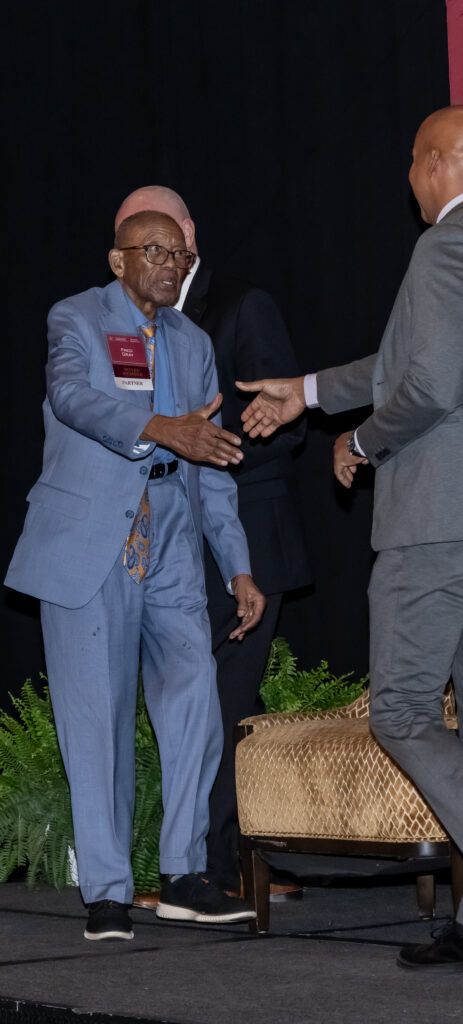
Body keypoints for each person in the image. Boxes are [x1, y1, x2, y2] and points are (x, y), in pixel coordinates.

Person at [235, 105, 463, 980]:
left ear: (438, 161)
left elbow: (423, 387)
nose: (407, 181)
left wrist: (358, 444)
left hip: (442, 523)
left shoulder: (444, 248)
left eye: (412, 163)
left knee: (399, 710)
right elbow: (405, 364)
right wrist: (306, 391)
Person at [5, 210, 266, 941]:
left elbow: (213, 465)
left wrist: (239, 568)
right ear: (118, 260)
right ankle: (109, 894)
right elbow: (71, 397)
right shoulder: (77, 318)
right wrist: (157, 426)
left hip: (174, 543)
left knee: (194, 706)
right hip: (95, 540)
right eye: (153, 250)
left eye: (179, 255)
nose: (168, 264)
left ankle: (184, 875)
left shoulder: (194, 342)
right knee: (99, 720)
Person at [114, 187, 312, 900]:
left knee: (224, 708)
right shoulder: (131, 324)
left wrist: (204, 445)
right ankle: (204, 862)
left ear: (186, 235)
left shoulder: (241, 305)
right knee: (189, 705)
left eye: (155, 243)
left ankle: (215, 869)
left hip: (245, 543)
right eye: (131, 246)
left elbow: (284, 428)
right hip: (168, 547)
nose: (142, 258)